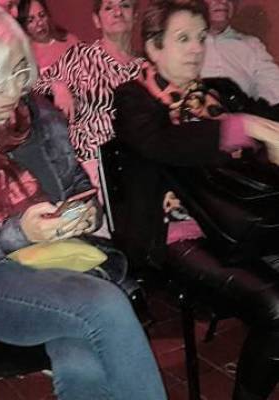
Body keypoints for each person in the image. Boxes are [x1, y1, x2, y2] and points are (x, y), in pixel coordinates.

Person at [0, 4, 167, 400]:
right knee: (105, 306)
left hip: (56, 263)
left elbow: (78, 186)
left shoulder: (42, 116)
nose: (11, 92)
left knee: (83, 362)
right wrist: (17, 232)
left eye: (18, 72)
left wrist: (84, 213)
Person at [108, 0, 279, 399]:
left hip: (241, 224)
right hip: (179, 235)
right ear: (154, 47)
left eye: (201, 38)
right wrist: (242, 128)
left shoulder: (220, 93)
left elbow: (268, 121)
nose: (197, 49)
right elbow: (163, 143)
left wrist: (263, 132)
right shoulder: (134, 99)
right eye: (183, 39)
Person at [33, 0, 143, 212]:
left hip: (135, 164)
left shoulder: (145, 67)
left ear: (135, 15)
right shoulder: (80, 56)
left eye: (125, 5)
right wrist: (57, 85)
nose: (118, 12)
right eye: (109, 7)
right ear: (97, 20)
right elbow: (32, 87)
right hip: (90, 163)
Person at [201, 0, 279, 106]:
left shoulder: (252, 45)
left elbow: (273, 88)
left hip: (244, 113)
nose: (223, 1)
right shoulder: (182, 45)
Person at [17, 0, 79, 73]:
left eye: (42, 15)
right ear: (23, 26)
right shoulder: (24, 56)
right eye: (31, 20)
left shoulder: (69, 40)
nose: (40, 23)